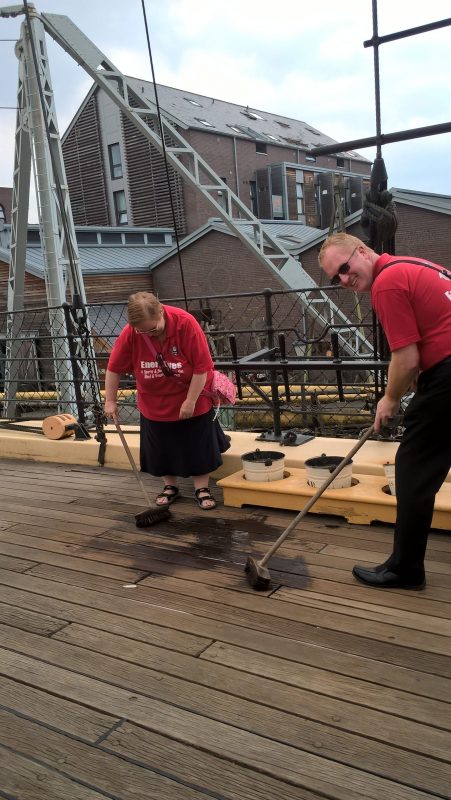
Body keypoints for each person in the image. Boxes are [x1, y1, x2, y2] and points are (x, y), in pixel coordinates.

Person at [319, 232, 451, 589]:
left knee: (413, 470)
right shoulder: (413, 265)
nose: (345, 280)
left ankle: (405, 569)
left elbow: (405, 356)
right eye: (337, 278)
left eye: (345, 268)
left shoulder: (387, 284)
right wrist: (417, 374)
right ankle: (402, 563)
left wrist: (389, 399)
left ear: (362, 251)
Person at [104, 292, 230, 510]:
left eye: (153, 329)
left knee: (197, 443)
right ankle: (169, 486)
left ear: (161, 311)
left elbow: (202, 368)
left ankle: (202, 488)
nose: (148, 334)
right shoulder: (132, 332)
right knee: (161, 445)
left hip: (191, 394)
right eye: (142, 331)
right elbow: (113, 368)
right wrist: (110, 401)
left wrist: (190, 401)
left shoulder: (185, 323)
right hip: (153, 401)